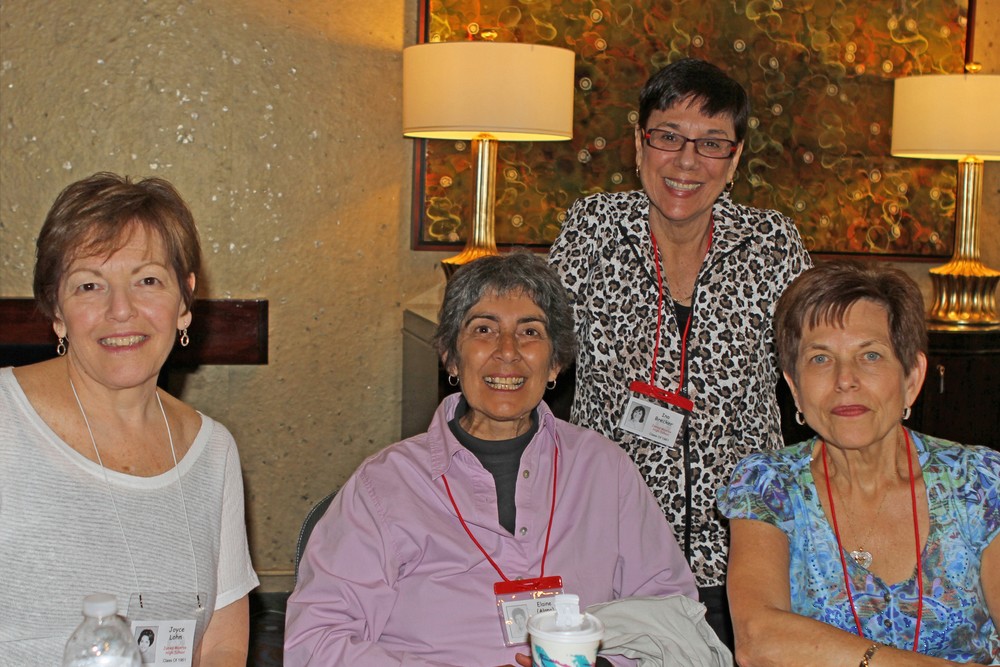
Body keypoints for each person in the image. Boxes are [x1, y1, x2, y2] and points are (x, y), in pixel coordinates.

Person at [284, 252, 700, 667]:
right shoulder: (385, 484)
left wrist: (604, 665)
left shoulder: (605, 470)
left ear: (555, 363)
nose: (507, 351)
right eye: (484, 329)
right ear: (451, 355)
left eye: (530, 331)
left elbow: (672, 616)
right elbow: (315, 642)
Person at [547, 56, 812, 645]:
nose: (687, 162)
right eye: (668, 137)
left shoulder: (771, 242)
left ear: (735, 159)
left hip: (743, 549)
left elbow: (815, 362)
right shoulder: (595, 228)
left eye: (712, 144)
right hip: (613, 544)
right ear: (639, 144)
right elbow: (542, 342)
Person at [0, 172, 259, 666]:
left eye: (147, 281)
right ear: (57, 310)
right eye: (89, 285)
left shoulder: (214, 451)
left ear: (184, 299)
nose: (120, 310)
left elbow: (223, 644)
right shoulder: (4, 422)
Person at [718, 260, 999, 665]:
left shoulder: (978, 482)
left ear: (912, 378)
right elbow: (759, 640)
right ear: (794, 388)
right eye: (820, 359)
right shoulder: (768, 487)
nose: (844, 379)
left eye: (870, 355)